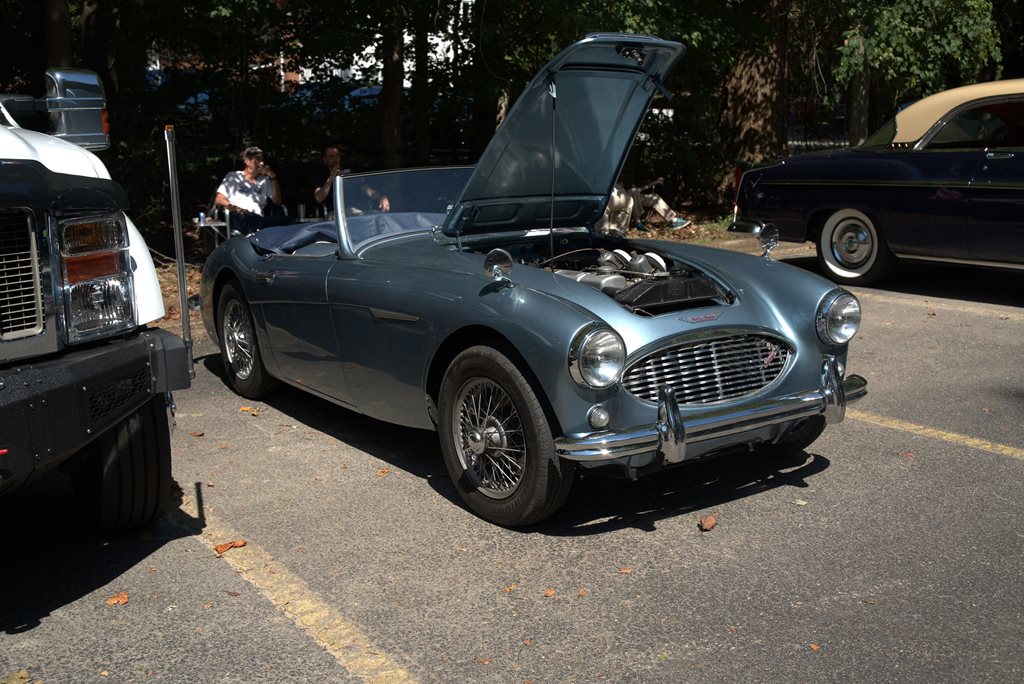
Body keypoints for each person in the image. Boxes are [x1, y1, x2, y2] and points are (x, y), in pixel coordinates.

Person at [214, 146, 285, 234]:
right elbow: (219, 199)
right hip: (239, 216)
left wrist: (273, 177)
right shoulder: (233, 177)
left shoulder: (264, 180)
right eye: (258, 160)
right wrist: (236, 208)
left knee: (287, 221)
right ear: (247, 161)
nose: (262, 163)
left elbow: (277, 201)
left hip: (259, 218)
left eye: (263, 160)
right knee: (255, 222)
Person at [312, 143, 390, 215]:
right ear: (325, 159)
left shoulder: (348, 173)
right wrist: (332, 177)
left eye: (337, 155)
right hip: (334, 214)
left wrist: (381, 197)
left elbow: (367, 190)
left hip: (355, 212)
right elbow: (319, 198)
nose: (335, 159)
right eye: (331, 156)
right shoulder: (321, 176)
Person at [625, 176, 690, 230]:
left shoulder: (627, 177)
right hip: (623, 198)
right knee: (633, 191)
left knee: (654, 197)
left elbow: (639, 189)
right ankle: (638, 223)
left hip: (635, 195)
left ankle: (674, 221)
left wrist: (656, 182)